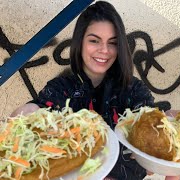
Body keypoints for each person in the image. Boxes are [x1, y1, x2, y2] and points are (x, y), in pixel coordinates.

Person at [11, 1, 161, 179]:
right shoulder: (61, 88)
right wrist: (24, 116)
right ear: (80, 42)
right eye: (94, 40)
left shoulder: (134, 90)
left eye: (112, 43)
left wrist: (169, 133)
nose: (104, 50)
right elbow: (40, 108)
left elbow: (153, 122)